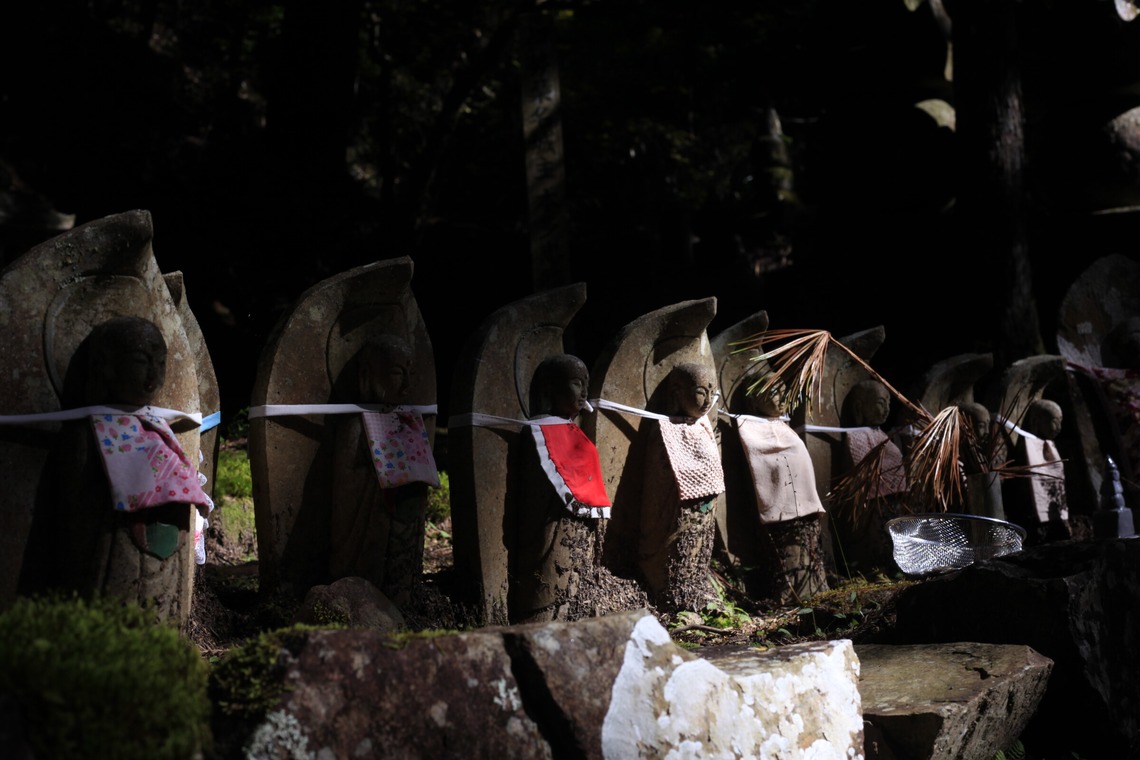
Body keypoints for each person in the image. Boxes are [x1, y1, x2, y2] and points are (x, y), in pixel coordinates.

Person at [31, 316, 208, 621]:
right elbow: (73, 508)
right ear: (106, 367)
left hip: (162, 549)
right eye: (141, 361)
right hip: (112, 553)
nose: (153, 375)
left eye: (161, 363)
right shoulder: (86, 432)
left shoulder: (158, 426)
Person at [329, 334, 439, 608]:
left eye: (410, 375)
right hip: (369, 527)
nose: (406, 385)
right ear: (367, 376)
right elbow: (346, 491)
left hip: (399, 523)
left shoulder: (406, 421)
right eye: (396, 374)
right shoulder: (356, 426)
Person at [638, 361, 725, 613]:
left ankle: (695, 599)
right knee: (675, 564)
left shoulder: (704, 428)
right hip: (673, 518)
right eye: (700, 391)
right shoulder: (663, 430)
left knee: (696, 558)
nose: (708, 399)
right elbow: (657, 485)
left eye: (712, 392)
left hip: (702, 517)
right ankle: (673, 606)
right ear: (677, 393)